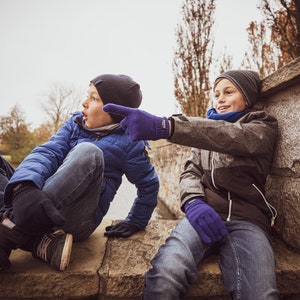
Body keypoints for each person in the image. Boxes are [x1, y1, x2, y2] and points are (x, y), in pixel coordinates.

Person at [103, 70, 279, 299]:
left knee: (260, 294)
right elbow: (190, 172)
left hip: (248, 221)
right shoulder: (204, 134)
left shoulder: (263, 127)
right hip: (202, 215)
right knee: (164, 276)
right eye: (216, 94)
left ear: (247, 97)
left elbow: (232, 137)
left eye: (228, 92)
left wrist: (167, 126)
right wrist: (194, 203)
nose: (220, 99)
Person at [0, 74, 159, 272]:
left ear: (116, 111)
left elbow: (148, 184)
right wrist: (24, 188)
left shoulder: (131, 142)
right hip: (40, 204)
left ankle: (9, 229)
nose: (84, 103)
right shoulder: (75, 123)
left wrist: (136, 220)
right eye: (87, 95)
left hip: (76, 219)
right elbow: (47, 153)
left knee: (88, 152)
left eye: (94, 99)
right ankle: (34, 239)